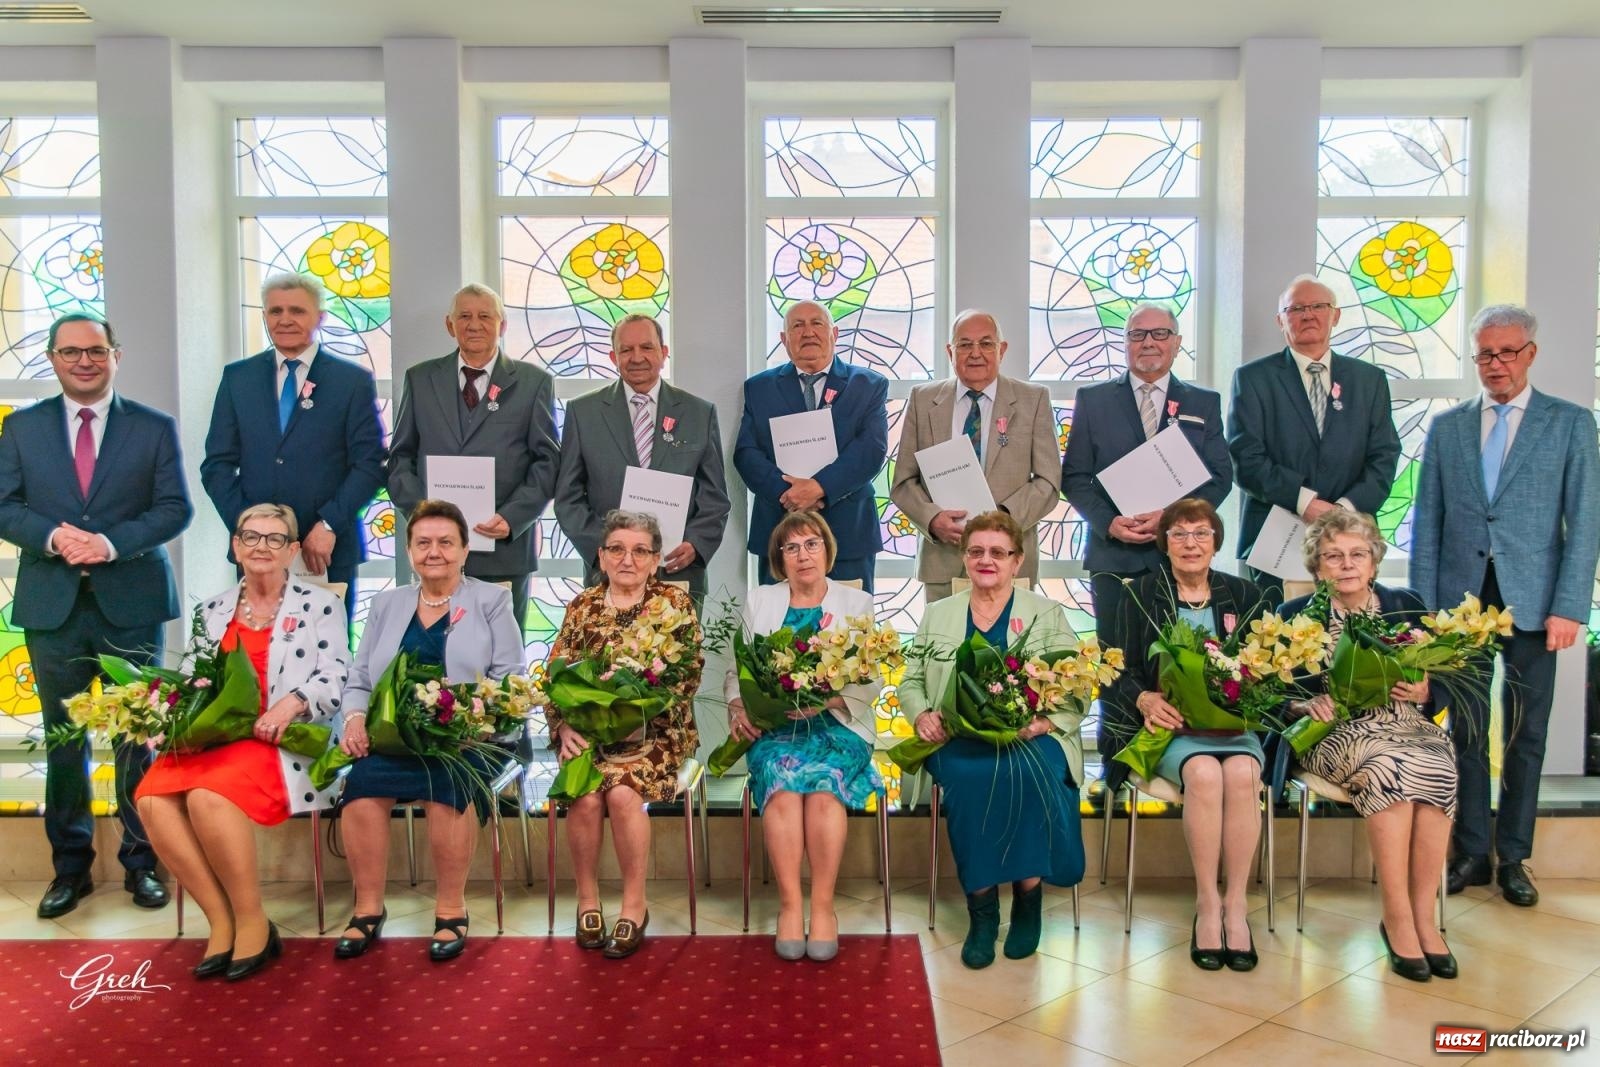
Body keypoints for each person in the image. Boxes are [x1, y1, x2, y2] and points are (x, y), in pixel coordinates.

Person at [0, 312, 193, 919]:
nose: (84, 361)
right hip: (52, 604)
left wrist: (108, 543)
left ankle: (144, 864)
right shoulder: (22, 428)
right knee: (64, 741)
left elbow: (174, 508)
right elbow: (4, 505)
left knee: (139, 738)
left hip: (130, 599)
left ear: (116, 354)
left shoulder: (154, 428)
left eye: (96, 351)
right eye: (71, 352)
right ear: (53, 359)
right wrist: (57, 537)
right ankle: (70, 869)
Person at [1410, 304, 1600, 909]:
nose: (1496, 365)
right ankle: (1471, 851)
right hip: (1459, 607)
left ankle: (1514, 854)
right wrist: (1424, 615)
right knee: (1464, 730)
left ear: (1531, 354)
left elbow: (1586, 524)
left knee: (1526, 733)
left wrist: (1571, 606)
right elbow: (1427, 525)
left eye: (1507, 353)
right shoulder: (1448, 427)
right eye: (1485, 354)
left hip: (1537, 604)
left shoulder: (1570, 424)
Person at [135, 504, 348, 981]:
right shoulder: (210, 611)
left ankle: (252, 919)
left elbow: (337, 676)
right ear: (235, 545)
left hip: (280, 739)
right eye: (250, 537)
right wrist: (167, 719)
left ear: (294, 550)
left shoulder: (320, 605)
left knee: (209, 798)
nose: (261, 547)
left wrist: (289, 704)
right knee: (149, 798)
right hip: (217, 739)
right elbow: (192, 681)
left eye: (275, 539)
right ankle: (221, 919)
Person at [333, 500, 524, 962]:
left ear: (464, 550)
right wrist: (355, 719)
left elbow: (511, 677)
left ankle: (450, 910)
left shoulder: (491, 600)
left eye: (445, 542)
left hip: (469, 739)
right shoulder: (387, 603)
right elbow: (359, 679)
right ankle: (367, 910)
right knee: (360, 787)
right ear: (409, 550)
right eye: (423, 542)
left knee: (448, 785)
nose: (433, 551)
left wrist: (474, 720)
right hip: (394, 738)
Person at [898, 511, 1085, 970]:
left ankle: (1028, 898)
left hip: (1029, 736)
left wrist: (1044, 723)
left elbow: (1077, 683)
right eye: (976, 551)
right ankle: (982, 912)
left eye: (997, 552)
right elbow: (911, 679)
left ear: (1017, 561)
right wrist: (921, 713)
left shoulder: (1046, 614)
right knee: (971, 780)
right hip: (957, 738)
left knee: (1030, 770)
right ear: (964, 558)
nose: (986, 560)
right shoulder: (938, 613)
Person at [1282, 510, 1459, 981]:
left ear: (1374, 562)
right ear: (1317, 567)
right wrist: (1305, 704)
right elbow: (1273, 694)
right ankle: (1397, 918)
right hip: (1336, 730)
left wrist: (1425, 691)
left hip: (1404, 722)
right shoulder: (1291, 618)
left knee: (1440, 762)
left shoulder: (1406, 605)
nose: (1346, 564)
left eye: (1357, 554)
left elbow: (1440, 680)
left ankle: (1424, 918)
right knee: (1390, 768)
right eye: (1333, 556)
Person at [1111, 498, 1267, 972]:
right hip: (1170, 728)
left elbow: (1268, 666)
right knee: (1203, 774)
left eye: (1201, 533)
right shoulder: (1139, 593)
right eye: (1179, 534)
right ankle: (1207, 904)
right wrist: (1144, 699)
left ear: (1216, 542)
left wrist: (1254, 683)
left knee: (1241, 773)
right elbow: (1116, 666)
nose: (1190, 543)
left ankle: (1236, 905)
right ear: (1164, 544)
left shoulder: (1245, 595)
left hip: (1233, 726)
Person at [726, 512, 880, 961]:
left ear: (827, 550)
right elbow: (740, 671)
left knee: (825, 788)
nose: (802, 555)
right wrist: (738, 706)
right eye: (791, 548)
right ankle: (791, 906)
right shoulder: (761, 600)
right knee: (783, 785)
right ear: (779, 559)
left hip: (839, 724)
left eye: (811, 544)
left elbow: (872, 675)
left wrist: (830, 701)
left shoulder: (858, 604)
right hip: (777, 727)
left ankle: (824, 906)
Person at [550, 511, 703, 959]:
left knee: (620, 794)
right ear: (601, 556)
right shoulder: (582, 606)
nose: (627, 559)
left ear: (656, 560)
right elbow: (556, 674)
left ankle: (634, 905)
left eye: (640, 551)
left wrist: (640, 712)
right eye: (616, 549)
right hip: (587, 735)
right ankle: (587, 900)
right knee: (583, 793)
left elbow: (686, 678)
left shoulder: (675, 605)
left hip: (656, 733)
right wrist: (562, 726)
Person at [201, 272, 386, 624]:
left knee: (326, 656)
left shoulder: (351, 381)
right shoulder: (237, 378)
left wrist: (329, 524)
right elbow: (217, 465)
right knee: (256, 654)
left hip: (325, 549)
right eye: (275, 311)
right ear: (265, 317)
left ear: (319, 317)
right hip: (256, 552)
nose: (285, 319)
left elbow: (370, 463)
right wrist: (248, 531)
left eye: (297, 311)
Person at [387, 283, 560, 628]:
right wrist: (423, 516)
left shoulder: (533, 382)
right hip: (435, 554)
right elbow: (399, 459)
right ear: (450, 325)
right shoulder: (420, 379)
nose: (474, 324)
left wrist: (512, 518)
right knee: (433, 664)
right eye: (464, 316)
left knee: (501, 666)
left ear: (502, 325)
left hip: (504, 551)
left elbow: (548, 461)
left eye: (485, 316)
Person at [1227, 275, 1400, 604]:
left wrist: (1341, 510)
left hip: (1352, 540)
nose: (1308, 315)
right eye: (1297, 309)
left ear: (1335, 315)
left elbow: (1384, 456)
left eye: (1319, 306)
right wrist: (1306, 502)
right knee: (1275, 645)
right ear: (1281, 321)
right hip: (1275, 541)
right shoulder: (1253, 378)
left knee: (1349, 644)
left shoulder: (1369, 380)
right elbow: (1245, 457)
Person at [1063, 303, 1232, 634]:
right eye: (1137, 334)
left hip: (1180, 554)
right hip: (1113, 555)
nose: (1149, 342)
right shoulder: (1093, 400)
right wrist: (1108, 523)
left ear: (1177, 342)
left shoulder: (1203, 403)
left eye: (1160, 333)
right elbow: (1074, 477)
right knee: (1115, 661)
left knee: (1181, 656)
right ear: (1124, 342)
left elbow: (1221, 478)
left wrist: (1173, 520)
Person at [891, 309, 1061, 603]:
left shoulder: (1033, 400)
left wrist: (1001, 523)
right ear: (950, 351)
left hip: (1009, 559)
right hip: (943, 560)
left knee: (1011, 649)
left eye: (986, 344)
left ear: (1002, 349)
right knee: (942, 648)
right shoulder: (922, 399)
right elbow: (904, 482)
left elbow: (1048, 482)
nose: (975, 353)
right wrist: (932, 520)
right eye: (965, 345)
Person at [555, 313, 730, 600]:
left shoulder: (700, 413)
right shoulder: (582, 413)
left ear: (663, 353)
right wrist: (605, 550)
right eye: (626, 350)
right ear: (613, 357)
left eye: (647, 348)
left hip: (678, 572)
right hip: (608, 575)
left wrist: (696, 545)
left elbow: (714, 496)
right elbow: (568, 498)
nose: (637, 357)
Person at [735, 301, 888, 591]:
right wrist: (789, 494)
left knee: (851, 631)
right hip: (779, 532)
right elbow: (746, 453)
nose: (808, 333)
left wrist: (819, 488)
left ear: (835, 333)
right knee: (778, 631)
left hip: (849, 533)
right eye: (797, 326)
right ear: (784, 339)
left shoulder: (868, 385)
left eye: (817, 323)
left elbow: (870, 450)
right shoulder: (759, 388)